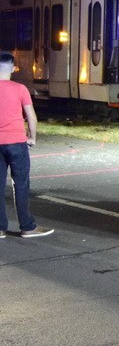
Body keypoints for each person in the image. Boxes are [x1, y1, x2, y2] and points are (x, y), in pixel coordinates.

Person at [0, 52, 52, 239]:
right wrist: (32, 138)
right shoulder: (20, 88)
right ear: (13, 68)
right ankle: (27, 227)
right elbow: (31, 117)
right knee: (21, 184)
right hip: (16, 143)